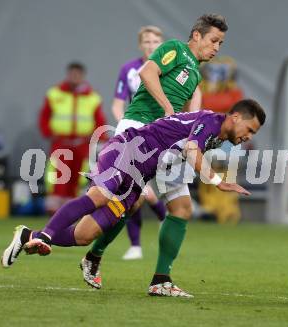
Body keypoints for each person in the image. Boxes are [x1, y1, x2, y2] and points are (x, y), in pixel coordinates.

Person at [1, 99, 266, 298]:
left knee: (83, 235)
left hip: (139, 177)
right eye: (250, 129)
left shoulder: (219, 138)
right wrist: (218, 182)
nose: (248, 137)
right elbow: (191, 148)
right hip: (126, 152)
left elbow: (177, 148)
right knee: (99, 196)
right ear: (234, 116)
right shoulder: (211, 123)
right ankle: (46, 235)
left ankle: (27, 235)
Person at [78, 13, 225, 290]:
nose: (217, 47)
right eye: (214, 40)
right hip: (137, 128)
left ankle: (161, 280)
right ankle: (68, 244)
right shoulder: (175, 49)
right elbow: (147, 73)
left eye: (220, 43)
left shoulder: (195, 73)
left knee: (181, 207)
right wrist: (169, 110)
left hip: (165, 140)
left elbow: (192, 114)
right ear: (196, 35)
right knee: (124, 202)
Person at [110, 25, 167, 261]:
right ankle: (137, 244)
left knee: (145, 192)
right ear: (140, 44)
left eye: (155, 42)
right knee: (136, 189)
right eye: (147, 41)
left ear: (161, 44)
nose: (151, 45)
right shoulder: (129, 70)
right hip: (136, 134)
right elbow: (117, 104)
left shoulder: (170, 68)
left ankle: (168, 221)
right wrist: (125, 125)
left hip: (162, 134)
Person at [39, 62, 106, 214]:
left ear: (82, 76)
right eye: (72, 74)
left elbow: (99, 121)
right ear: (68, 75)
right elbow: (44, 116)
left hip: (82, 143)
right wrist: (48, 133)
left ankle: (72, 211)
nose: (75, 77)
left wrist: (101, 139)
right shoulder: (54, 94)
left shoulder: (93, 97)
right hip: (60, 142)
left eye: (78, 74)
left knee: (78, 176)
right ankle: (54, 210)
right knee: (58, 175)